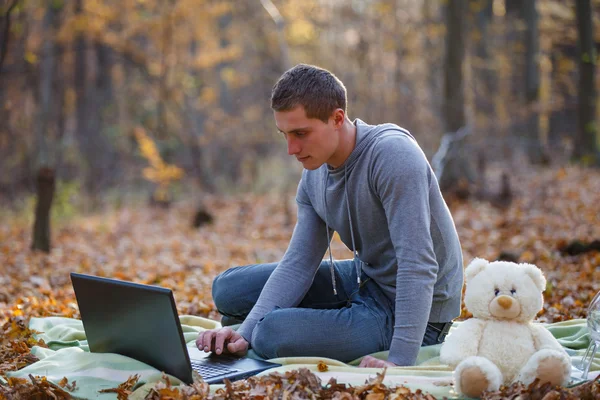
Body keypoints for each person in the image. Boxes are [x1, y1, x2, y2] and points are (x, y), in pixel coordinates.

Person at [196, 64, 464, 368]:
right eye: (284, 134)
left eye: (301, 133)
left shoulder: (393, 156)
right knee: (228, 289)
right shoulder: (314, 174)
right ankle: (252, 326)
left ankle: (270, 327)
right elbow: (298, 265)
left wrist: (400, 363)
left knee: (272, 332)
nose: (291, 149)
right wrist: (244, 333)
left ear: (337, 118)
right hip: (365, 278)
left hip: (420, 309)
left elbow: (418, 265)